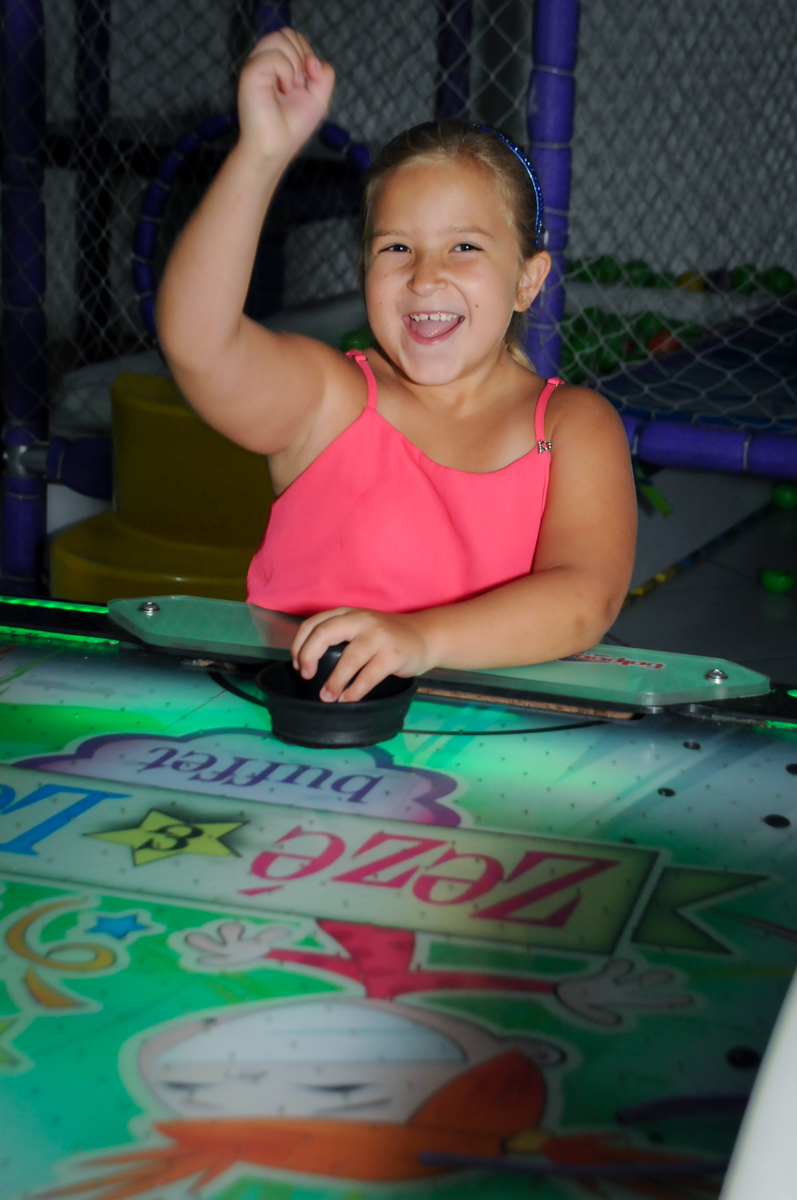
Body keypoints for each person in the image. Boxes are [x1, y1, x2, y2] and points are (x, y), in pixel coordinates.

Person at [157, 28, 636, 705]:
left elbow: (586, 598)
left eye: (463, 246)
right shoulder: (330, 403)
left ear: (527, 281)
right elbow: (199, 344)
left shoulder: (572, 427)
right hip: (291, 734)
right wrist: (261, 154)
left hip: (487, 747)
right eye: (396, 248)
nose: (425, 276)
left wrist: (420, 639)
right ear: (364, 272)